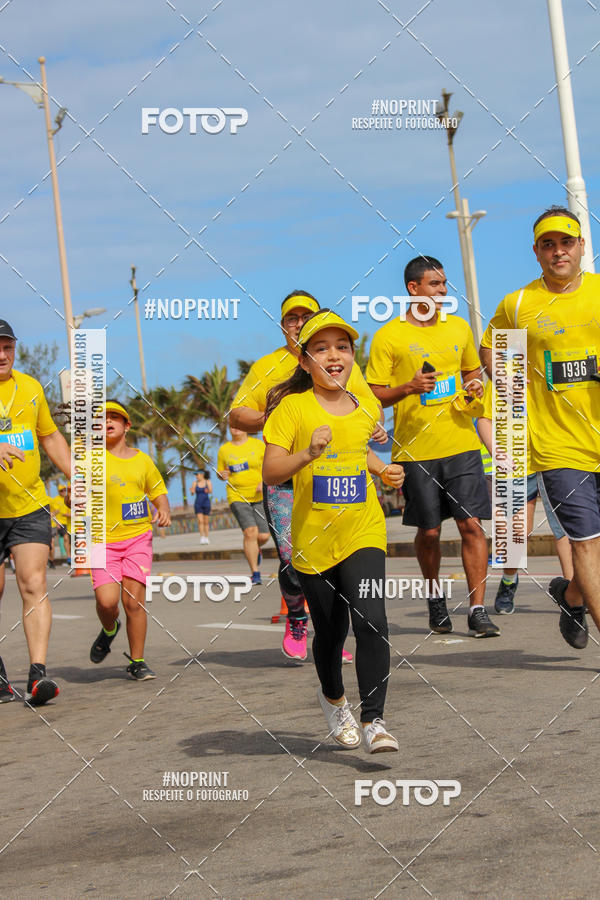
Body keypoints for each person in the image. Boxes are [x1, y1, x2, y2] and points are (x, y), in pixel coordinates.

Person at [263, 310, 404, 752]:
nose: (334, 356)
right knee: (331, 632)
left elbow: (356, 452)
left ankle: (375, 720)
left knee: (372, 620)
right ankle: (334, 699)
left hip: (362, 528)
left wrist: (383, 469)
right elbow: (271, 471)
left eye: (342, 347)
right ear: (305, 362)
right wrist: (307, 452)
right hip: (313, 539)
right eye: (321, 349)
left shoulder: (366, 406)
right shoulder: (292, 408)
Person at [231, 290, 385, 661]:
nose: (298, 324)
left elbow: (370, 408)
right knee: (293, 557)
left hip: (329, 477)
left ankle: (331, 636)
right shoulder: (266, 367)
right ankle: (298, 616)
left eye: (306, 317)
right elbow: (236, 415)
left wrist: (370, 427)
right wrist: (280, 423)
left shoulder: (338, 359)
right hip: (285, 478)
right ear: (284, 327)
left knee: (340, 560)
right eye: (291, 319)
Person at [480, 206, 598, 649]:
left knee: (592, 560)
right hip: (556, 446)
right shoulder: (518, 305)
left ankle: (571, 596)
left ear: (581, 246)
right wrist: (511, 383)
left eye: (566, 242)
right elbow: (490, 347)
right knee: (584, 544)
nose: (558, 251)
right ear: (536, 252)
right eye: (548, 244)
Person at [366, 256, 500, 637]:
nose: (443, 291)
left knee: (471, 526)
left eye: (444, 284)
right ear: (414, 289)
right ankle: (434, 596)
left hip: (461, 443)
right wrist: (408, 387)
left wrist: (475, 385)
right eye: (436, 284)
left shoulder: (457, 328)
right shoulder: (388, 336)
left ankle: (477, 609)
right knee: (429, 532)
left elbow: (472, 371)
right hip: (415, 452)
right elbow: (373, 392)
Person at [0, 320, 71, 706]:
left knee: (33, 583)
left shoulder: (29, 388)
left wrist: (77, 475)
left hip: (29, 505)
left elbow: (48, 435)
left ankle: (37, 675)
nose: (1, 354)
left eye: (7, 346)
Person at [89, 400, 171, 680]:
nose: (108, 421)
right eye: (102, 418)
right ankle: (110, 629)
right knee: (107, 602)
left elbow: (157, 490)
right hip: (102, 541)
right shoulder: (90, 460)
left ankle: (137, 661)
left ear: (127, 425)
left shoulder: (142, 459)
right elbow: (76, 493)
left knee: (133, 603)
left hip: (138, 539)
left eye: (115, 417)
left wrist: (163, 509)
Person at [477, 380, 572, 613]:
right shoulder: (503, 374)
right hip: (518, 466)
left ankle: (573, 597)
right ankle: (509, 581)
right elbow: (484, 419)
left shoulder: (552, 366)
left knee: (566, 528)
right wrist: (497, 452)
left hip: (556, 459)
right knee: (518, 534)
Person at [217, 427, 270, 584]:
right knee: (250, 533)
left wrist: (263, 481)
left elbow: (269, 465)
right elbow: (221, 473)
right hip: (236, 496)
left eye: (239, 425)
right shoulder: (224, 450)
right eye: (232, 425)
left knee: (263, 536)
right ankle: (255, 573)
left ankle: (254, 549)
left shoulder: (258, 445)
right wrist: (221, 475)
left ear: (246, 427)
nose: (236, 428)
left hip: (259, 495)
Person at [49, 484, 71, 567]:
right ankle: (53, 559)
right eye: (61, 490)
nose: (63, 492)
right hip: (58, 523)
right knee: (60, 540)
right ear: (58, 491)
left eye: (64, 490)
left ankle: (69, 558)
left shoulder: (68, 499)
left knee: (68, 540)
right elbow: (55, 511)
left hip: (67, 522)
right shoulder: (55, 500)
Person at [190, 470, 212, 544]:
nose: (196, 476)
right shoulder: (194, 483)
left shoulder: (207, 482)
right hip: (198, 504)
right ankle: (202, 537)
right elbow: (192, 493)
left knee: (206, 521)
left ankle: (206, 537)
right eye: (195, 475)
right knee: (200, 521)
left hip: (206, 503)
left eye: (197, 474)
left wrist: (207, 490)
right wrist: (192, 491)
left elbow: (210, 491)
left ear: (202, 474)